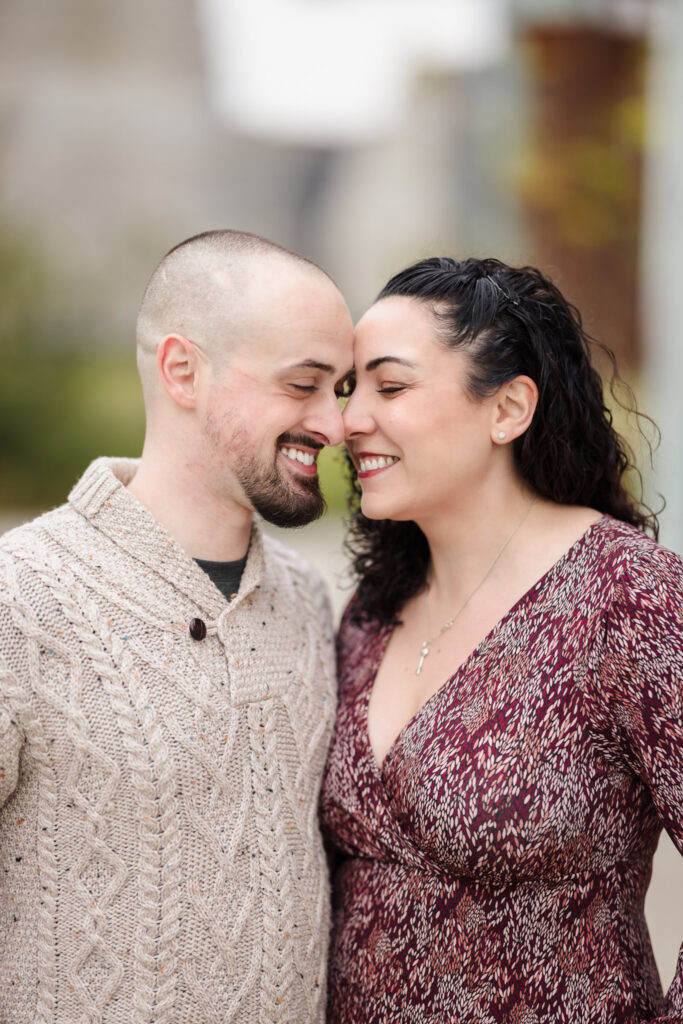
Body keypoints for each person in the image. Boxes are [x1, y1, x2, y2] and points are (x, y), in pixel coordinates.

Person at [0, 229, 354, 1022]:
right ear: (182, 372)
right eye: (303, 384)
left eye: (342, 387)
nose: (333, 425)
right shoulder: (20, 598)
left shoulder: (307, 598)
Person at [320, 256, 683, 1023]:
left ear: (508, 408)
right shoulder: (368, 611)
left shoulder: (627, 595)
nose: (349, 419)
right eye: (349, 390)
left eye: (389, 386)